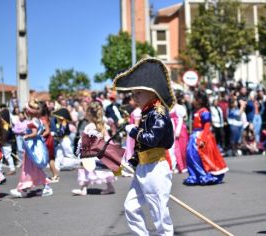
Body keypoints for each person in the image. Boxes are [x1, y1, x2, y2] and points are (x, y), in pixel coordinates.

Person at [113, 58, 175, 235]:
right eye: (134, 94)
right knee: (130, 207)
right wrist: (133, 161)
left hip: (156, 169)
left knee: (159, 214)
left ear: (152, 93)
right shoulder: (147, 112)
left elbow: (152, 139)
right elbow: (142, 146)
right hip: (143, 167)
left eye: (138, 93)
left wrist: (133, 132)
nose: (135, 97)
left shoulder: (158, 112)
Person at [184, 91, 229, 185]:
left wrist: (203, 139)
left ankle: (204, 175)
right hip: (194, 136)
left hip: (201, 137)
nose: (193, 101)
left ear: (200, 100)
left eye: (195, 99)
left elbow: (207, 126)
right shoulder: (197, 111)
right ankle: (195, 175)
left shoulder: (204, 111)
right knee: (191, 156)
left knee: (202, 158)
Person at [72, 102, 117, 196]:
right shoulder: (101, 125)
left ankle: (84, 189)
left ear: (89, 113)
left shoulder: (90, 126)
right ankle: (108, 187)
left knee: (88, 169)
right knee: (97, 170)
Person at [10, 100, 53, 198]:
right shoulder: (40, 121)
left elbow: (34, 133)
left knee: (28, 168)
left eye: (26, 110)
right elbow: (41, 132)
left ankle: (23, 189)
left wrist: (26, 136)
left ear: (29, 112)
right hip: (36, 145)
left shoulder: (32, 122)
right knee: (34, 168)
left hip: (32, 147)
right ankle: (45, 187)